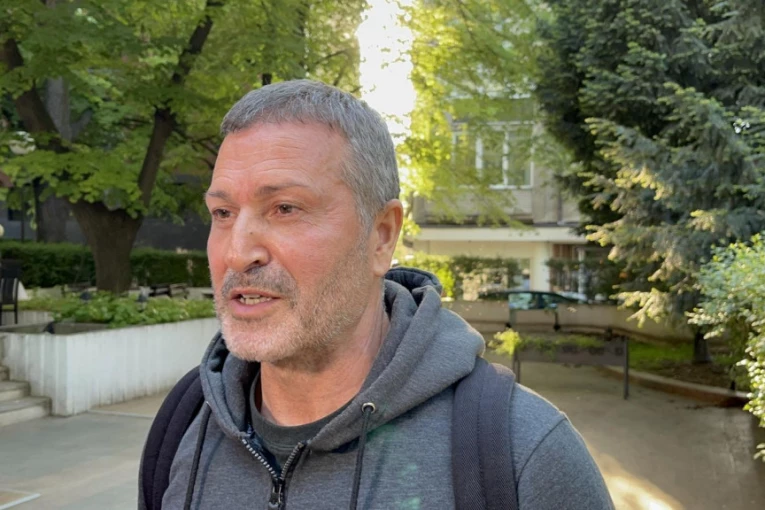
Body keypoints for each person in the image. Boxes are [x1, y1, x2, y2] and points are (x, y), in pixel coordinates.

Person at [139, 79, 614, 509]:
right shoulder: (183, 428)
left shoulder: (524, 453)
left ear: (382, 236)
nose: (237, 252)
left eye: (284, 208)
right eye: (223, 213)